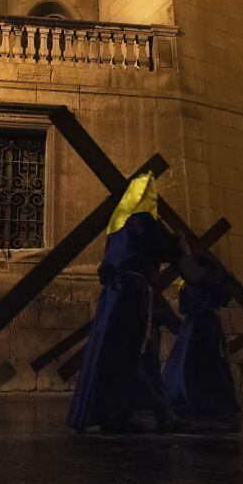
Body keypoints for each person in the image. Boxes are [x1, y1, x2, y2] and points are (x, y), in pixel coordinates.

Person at [67, 172, 185, 433]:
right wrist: (177, 242)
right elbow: (167, 249)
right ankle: (160, 410)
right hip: (134, 294)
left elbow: (106, 267)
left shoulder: (116, 226)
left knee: (111, 351)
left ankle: (113, 413)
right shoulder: (142, 221)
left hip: (113, 295)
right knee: (141, 349)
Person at [162, 265, 239, 416]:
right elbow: (223, 299)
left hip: (192, 326)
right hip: (209, 324)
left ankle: (183, 394)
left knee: (188, 361)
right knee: (210, 361)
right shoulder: (217, 280)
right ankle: (211, 399)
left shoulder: (188, 284)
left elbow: (183, 308)